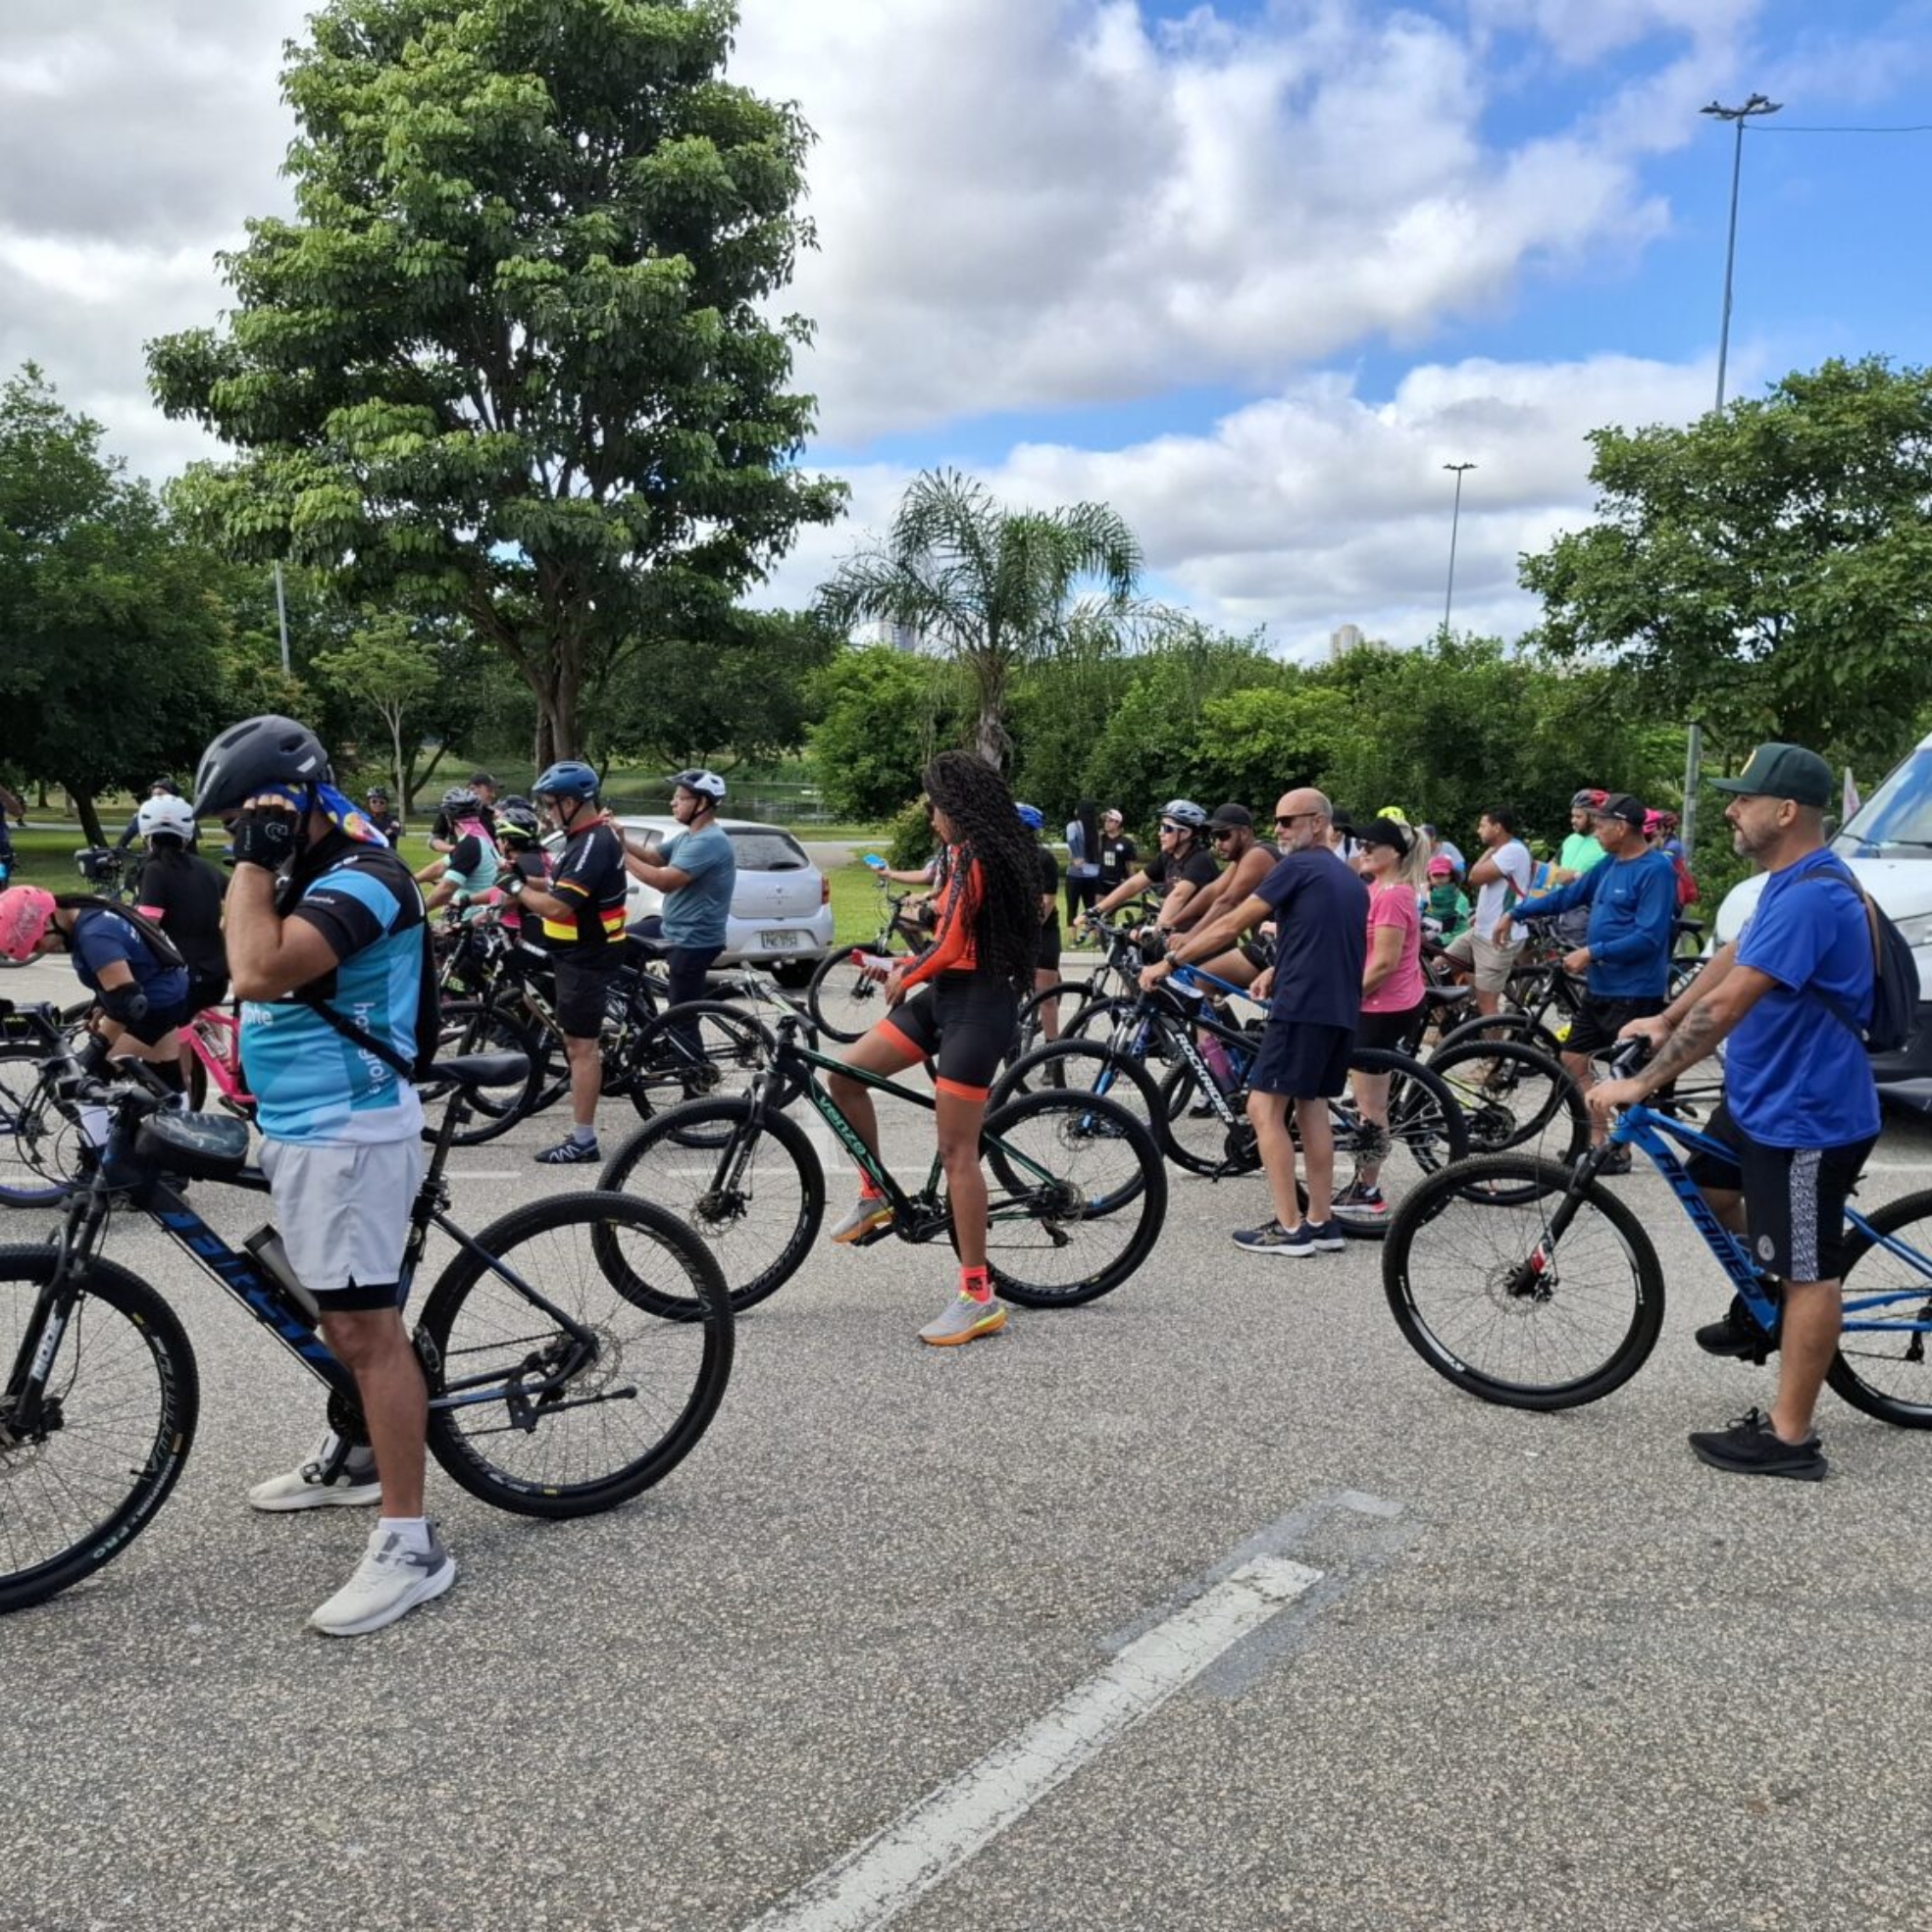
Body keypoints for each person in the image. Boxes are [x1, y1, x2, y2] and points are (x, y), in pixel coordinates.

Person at [187, 712, 450, 1635]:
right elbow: (227, 961)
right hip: (301, 1125)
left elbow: (258, 969)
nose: (231, 839)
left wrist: (254, 862)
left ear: (290, 806)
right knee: (328, 1307)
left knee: (365, 1330)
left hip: (350, 1133)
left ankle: (411, 1546)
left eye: (242, 821)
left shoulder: (368, 879)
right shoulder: (302, 870)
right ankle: (359, 1455)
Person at [1589, 743, 1881, 1481]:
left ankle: (1790, 1439)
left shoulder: (1815, 894)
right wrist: (1662, 1016)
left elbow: (1728, 1006)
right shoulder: (1788, 881)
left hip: (1807, 1115)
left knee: (1809, 1272)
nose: (1729, 809)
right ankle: (1768, 1288)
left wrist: (1642, 1081)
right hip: (1759, 1097)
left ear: (1786, 812)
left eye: (1743, 799)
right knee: (1713, 1190)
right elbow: (1729, 962)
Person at [823, 750, 1039, 1347]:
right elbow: (941, 936)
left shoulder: (982, 854)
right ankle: (875, 1195)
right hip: (946, 997)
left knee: (956, 1151)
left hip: (979, 1007)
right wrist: (902, 962)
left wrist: (907, 973)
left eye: (935, 805)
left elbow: (950, 944)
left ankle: (978, 1295)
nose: (931, 816)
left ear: (957, 806)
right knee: (845, 1076)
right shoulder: (959, 855)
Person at [1145, 788, 1368, 1257]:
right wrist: (1274, 969)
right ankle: (1322, 1222)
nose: (1280, 830)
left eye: (1288, 821)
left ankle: (1289, 1230)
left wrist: (1169, 961)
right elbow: (1317, 938)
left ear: (1317, 822)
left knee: (1263, 1110)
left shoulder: (1297, 866)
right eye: (1277, 820)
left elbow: (1231, 923)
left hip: (1302, 1008)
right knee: (1312, 1109)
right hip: (1339, 1009)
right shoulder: (1349, 879)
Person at [1498, 792, 1677, 1170]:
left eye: (1600, 824)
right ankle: (1598, 1141)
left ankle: (1619, 1149)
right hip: (1601, 987)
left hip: (1634, 990)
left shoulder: (1656, 869)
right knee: (1573, 1057)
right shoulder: (1609, 864)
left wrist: (1591, 952)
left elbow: (1650, 936)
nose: (1595, 831)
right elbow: (1568, 896)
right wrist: (1517, 913)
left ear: (1622, 827)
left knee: (1625, 1073)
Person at [503, 761, 629, 1164]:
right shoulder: (581, 839)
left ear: (572, 802)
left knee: (581, 1048)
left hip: (585, 956)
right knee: (577, 1042)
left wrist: (517, 887)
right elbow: (561, 886)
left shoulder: (593, 842)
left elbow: (558, 908)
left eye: (550, 804)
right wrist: (525, 880)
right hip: (573, 953)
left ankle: (583, 1140)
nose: (546, 812)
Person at [1334, 816, 1432, 1223]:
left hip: (1382, 1007)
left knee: (1371, 1106)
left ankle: (1368, 1188)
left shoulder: (1393, 895)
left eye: (1373, 846)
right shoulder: (1377, 889)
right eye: (1362, 845)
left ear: (1395, 852)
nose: (1364, 850)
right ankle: (1363, 1180)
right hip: (1380, 1004)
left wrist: (1346, 995)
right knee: (1366, 1101)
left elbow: (1386, 963)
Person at [0, 884, 191, 1081]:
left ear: (46, 923)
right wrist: (102, 1004)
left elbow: (128, 1001)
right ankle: (173, 1110)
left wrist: (96, 1049)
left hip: (156, 1003)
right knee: (167, 1077)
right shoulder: (88, 913)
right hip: (168, 989)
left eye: (36, 944)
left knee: (87, 1081)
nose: (38, 950)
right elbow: (125, 973)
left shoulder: (94, 935)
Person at [131, 793, 230, 1079]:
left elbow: (148, 926)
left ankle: (183, 1094)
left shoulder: (155, 870)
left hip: (183, 977)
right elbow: (235, 899)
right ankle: (222, 1061)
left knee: (172, 1051)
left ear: (146, 834)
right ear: (187, 836)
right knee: (202, 1012)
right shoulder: (206, 869)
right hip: (215, 973)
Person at [622, 770, 737, 1011]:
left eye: (680, 798)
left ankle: (679, 1043)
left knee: (681, 1018)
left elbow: (664, 881)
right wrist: (619, 838)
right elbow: (653, 857)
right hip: (672, 927)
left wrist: (620, 854)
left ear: (702, 803)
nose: (672, 802)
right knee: (614, 944)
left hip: (693, 940)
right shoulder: (688, 836)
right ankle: (646, 1020)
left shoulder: (709, 841)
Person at [1441, 808, 1534, 1017]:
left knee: (1487, 1004)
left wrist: (1490, 850)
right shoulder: (1504, 851)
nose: (1478, 831)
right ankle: (1457, 1024)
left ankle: (1493, 1049)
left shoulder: (1512, 851)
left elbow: (1474, 878)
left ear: (1497, 827)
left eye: (1483, 825)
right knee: (1437, 970)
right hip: (1479, 931)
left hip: (1497, 937)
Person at [1089, 799, 1219, 940]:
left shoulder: (1200, 859)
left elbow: (1178, 896)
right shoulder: (1167, 857)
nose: (1160, 833)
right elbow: (1135, 883)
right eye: (1161, 827)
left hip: (1204, 941)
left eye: (1166, 828)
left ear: (1185, 833)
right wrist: (1097, 909)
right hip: (1178, 937)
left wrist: (1156, 928)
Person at [414, 785, 501, 917]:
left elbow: (445, 890)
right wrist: (411, 880)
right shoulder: (479, 838)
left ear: (449, 819)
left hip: (473, 918)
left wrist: (416, 915)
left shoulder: (469, 845)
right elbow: (440, 867)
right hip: (483, 913)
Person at [1017, 803, 1063, 1048]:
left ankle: (1051, 1052)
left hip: (1042, 930)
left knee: (1045, 995)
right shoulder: (1004, 855)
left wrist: (1028, 929)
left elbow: (1047, 902)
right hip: (1012, 929)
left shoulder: (1044, 859)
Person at [1547, 788, 1610, 948]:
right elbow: (1553, 863)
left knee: (1576, 962)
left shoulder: (1606, 843)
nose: (1573, 820)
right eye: (1572, 816)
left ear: (1594, 817)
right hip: (1558, 905)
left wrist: (1576, 876)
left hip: (1584, 913)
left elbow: (1609, 879)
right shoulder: (1571, 839)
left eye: (1578, 816)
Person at [1063, 801, 1101, 931]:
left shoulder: (1073, 826)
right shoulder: (1096, 829)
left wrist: (1076, 856)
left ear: (1078, 811)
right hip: (1093, 873)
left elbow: (1071, 839)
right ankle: (1095, 939)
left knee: (1072, 907)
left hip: (1075, 873)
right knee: (1091, 908)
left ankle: (1073, 940)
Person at [1423, 856, 1470, 939]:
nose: (1439, 878)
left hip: (1452, 938)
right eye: (1435, 875)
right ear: (1429, 877)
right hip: (1431, 933)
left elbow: (1449, 924)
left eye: (1442, 874)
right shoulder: (1428, 895)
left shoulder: (1460, 898)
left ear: (1451, 875)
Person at [1095, 808, 1138, 896]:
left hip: (1119, 881)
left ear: (1117, 823)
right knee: (1099, 908)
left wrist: (1132, 884)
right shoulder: (1100, 839)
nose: (1106, 823)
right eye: (1106, 820)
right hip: (1101, 881)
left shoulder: (1126, 842)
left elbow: (1130, 865)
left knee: (1115, 908)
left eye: (1110, 821)